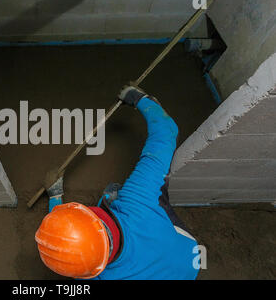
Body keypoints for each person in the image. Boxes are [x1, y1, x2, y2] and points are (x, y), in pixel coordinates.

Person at [35, 86, 200, 280]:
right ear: (93, 213)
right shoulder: (139, 199)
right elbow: (166, 133)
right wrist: (140, 99)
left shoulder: (91, 269)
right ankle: (112, 201)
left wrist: (55, 196)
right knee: (145, 199)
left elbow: (72, 249)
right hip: (189, 253)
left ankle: (110, 201)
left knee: (113, 199)